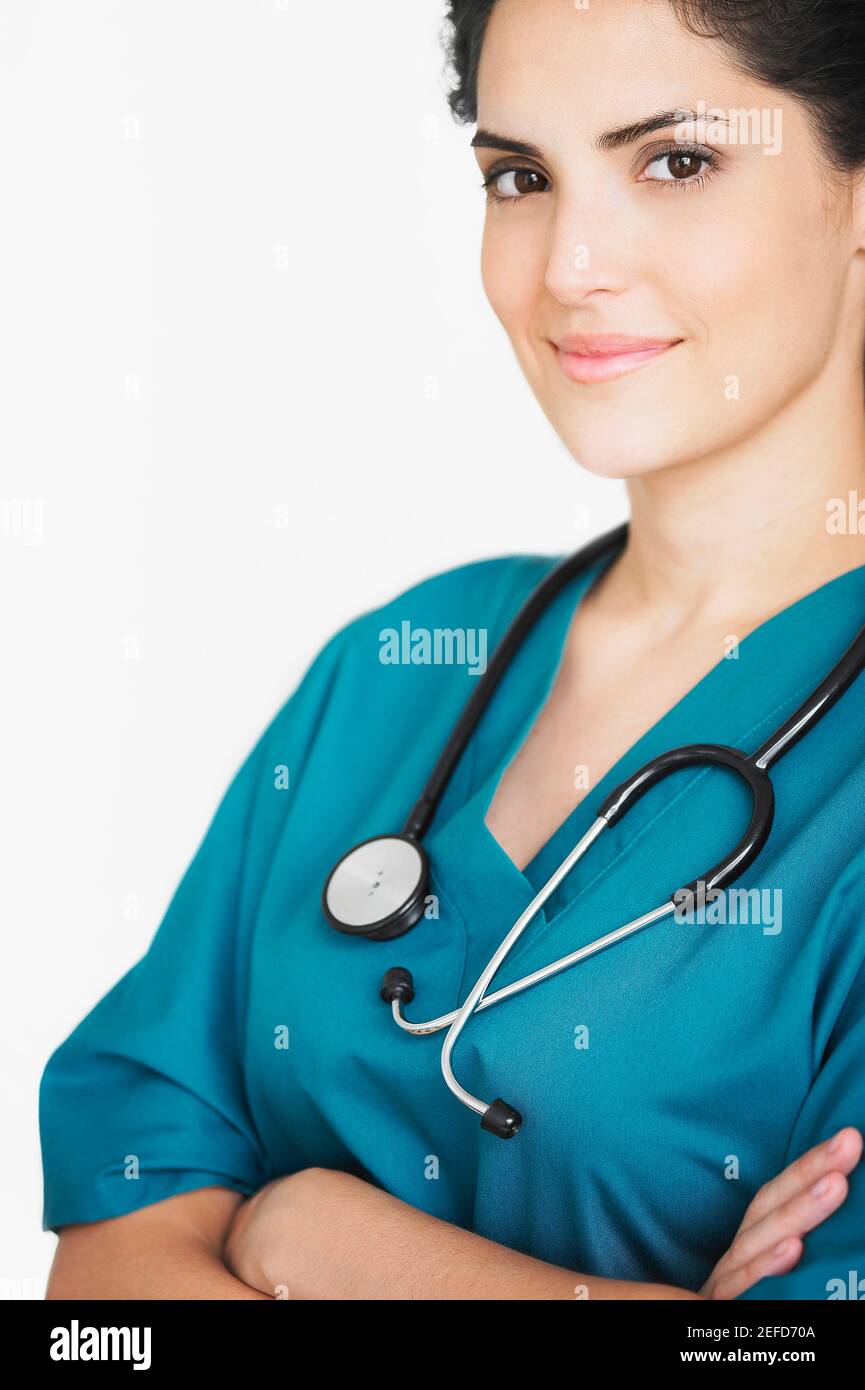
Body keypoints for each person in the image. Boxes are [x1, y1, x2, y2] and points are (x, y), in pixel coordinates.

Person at [41, 0, 865, 1300]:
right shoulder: (395, 672)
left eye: (674, 160)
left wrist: (309, 1234)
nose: (569, 264)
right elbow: (104, 1281)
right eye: (520, 176)